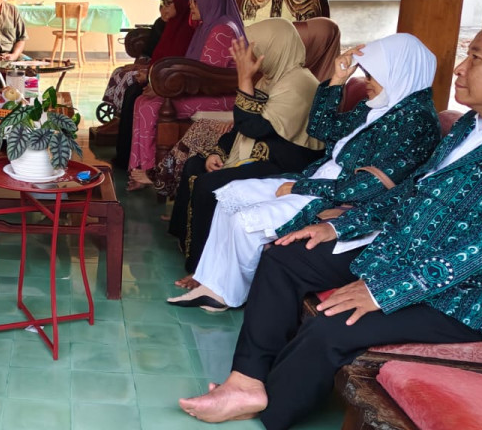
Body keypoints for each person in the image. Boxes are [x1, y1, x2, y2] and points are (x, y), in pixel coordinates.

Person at [180, 14, 482, 430]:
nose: (460, 68)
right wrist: (340, 228)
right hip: (398, 251)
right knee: (285, 257)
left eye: (475, 58)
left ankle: (273, 413)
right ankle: (246, 382)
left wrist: (383, 291)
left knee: (334, 323)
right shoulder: (471, 125)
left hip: (464, 294)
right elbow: (412, 192)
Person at [170, 33, 440, 313]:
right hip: (318, 180)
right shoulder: (380, 107)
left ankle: (225, 294)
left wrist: (302, 189)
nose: (368, 81)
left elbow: (371, 186)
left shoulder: (416, 121)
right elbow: (322, 130)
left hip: (339, 198)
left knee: (245, 221)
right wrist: (337, 82)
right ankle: (212, 284)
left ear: (399, 71)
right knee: (229, 195)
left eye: (374, 74)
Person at [167, 18, 325, 272]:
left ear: (275, 48)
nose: (252, 56)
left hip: (281, 164)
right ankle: (183, 236)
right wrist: (218, 152)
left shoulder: (299, 84)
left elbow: (255, 127)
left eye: (257, 49)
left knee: (209, 185)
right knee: (197, 163)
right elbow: (243, 125)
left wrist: (244, 80)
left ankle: (200, 267)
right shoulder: (272, 79)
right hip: (259, 153)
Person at [129, 0, 245, 188]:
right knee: (142, 101)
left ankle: (148, 171)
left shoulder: (222, 30)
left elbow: (206, 76)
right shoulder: (208, 26)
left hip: (222, 96)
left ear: (211, 1)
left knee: (151, 106)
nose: (191, 4)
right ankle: (139, 167)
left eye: (196, 0)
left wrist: (165, 91)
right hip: (208, 90)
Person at [107, 0, 196, 167]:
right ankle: (127, 155)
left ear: (181, 3)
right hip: (160, 75)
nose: (163, 8)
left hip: (173, 80)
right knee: (131, 89)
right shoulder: (168, 25)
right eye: (162, 3)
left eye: (168, 2)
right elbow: (154, 54)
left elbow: (179, 61)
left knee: (134, 92)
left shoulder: (188, 28)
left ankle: (133, 159)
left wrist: (150, 76)